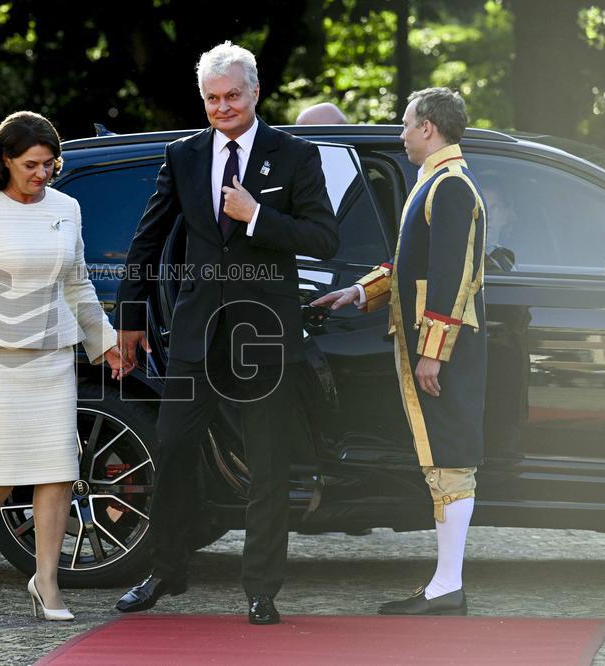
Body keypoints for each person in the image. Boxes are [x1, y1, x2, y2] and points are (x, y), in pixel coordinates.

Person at [113, 41, 338, 625]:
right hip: (196, 336)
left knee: (267, 464)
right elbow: (146, 242)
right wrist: (130, 322)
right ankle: (166, 571)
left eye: (232, 95)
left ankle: (262, 589)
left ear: (255, 92)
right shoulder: (183, 155)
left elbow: (323, 239)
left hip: (263, 339)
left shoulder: (293, 156)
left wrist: (257, 216)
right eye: (211, 98)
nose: (221, 107)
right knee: (172, 448)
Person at [0, 110, 128, 620]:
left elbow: (78, 283)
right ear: (5, 161)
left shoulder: (66, 207)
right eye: (32, 164)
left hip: (51, 360)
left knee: (58, 472)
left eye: (50, 164)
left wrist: (102, 342)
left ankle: (46, 582)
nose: (43, 174)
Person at [313, 87, 487, 616]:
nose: (402, 133)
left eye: (407, 124)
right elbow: (408, 264)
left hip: (443, 348)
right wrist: (361, 292)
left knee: (450, 460)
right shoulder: (435, 183)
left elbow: (452, 277)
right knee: (442, 460)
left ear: (429, 127)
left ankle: (448, 586)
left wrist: (433, 350)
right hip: (434, 344)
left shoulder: (450, 186)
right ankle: (445, 583)